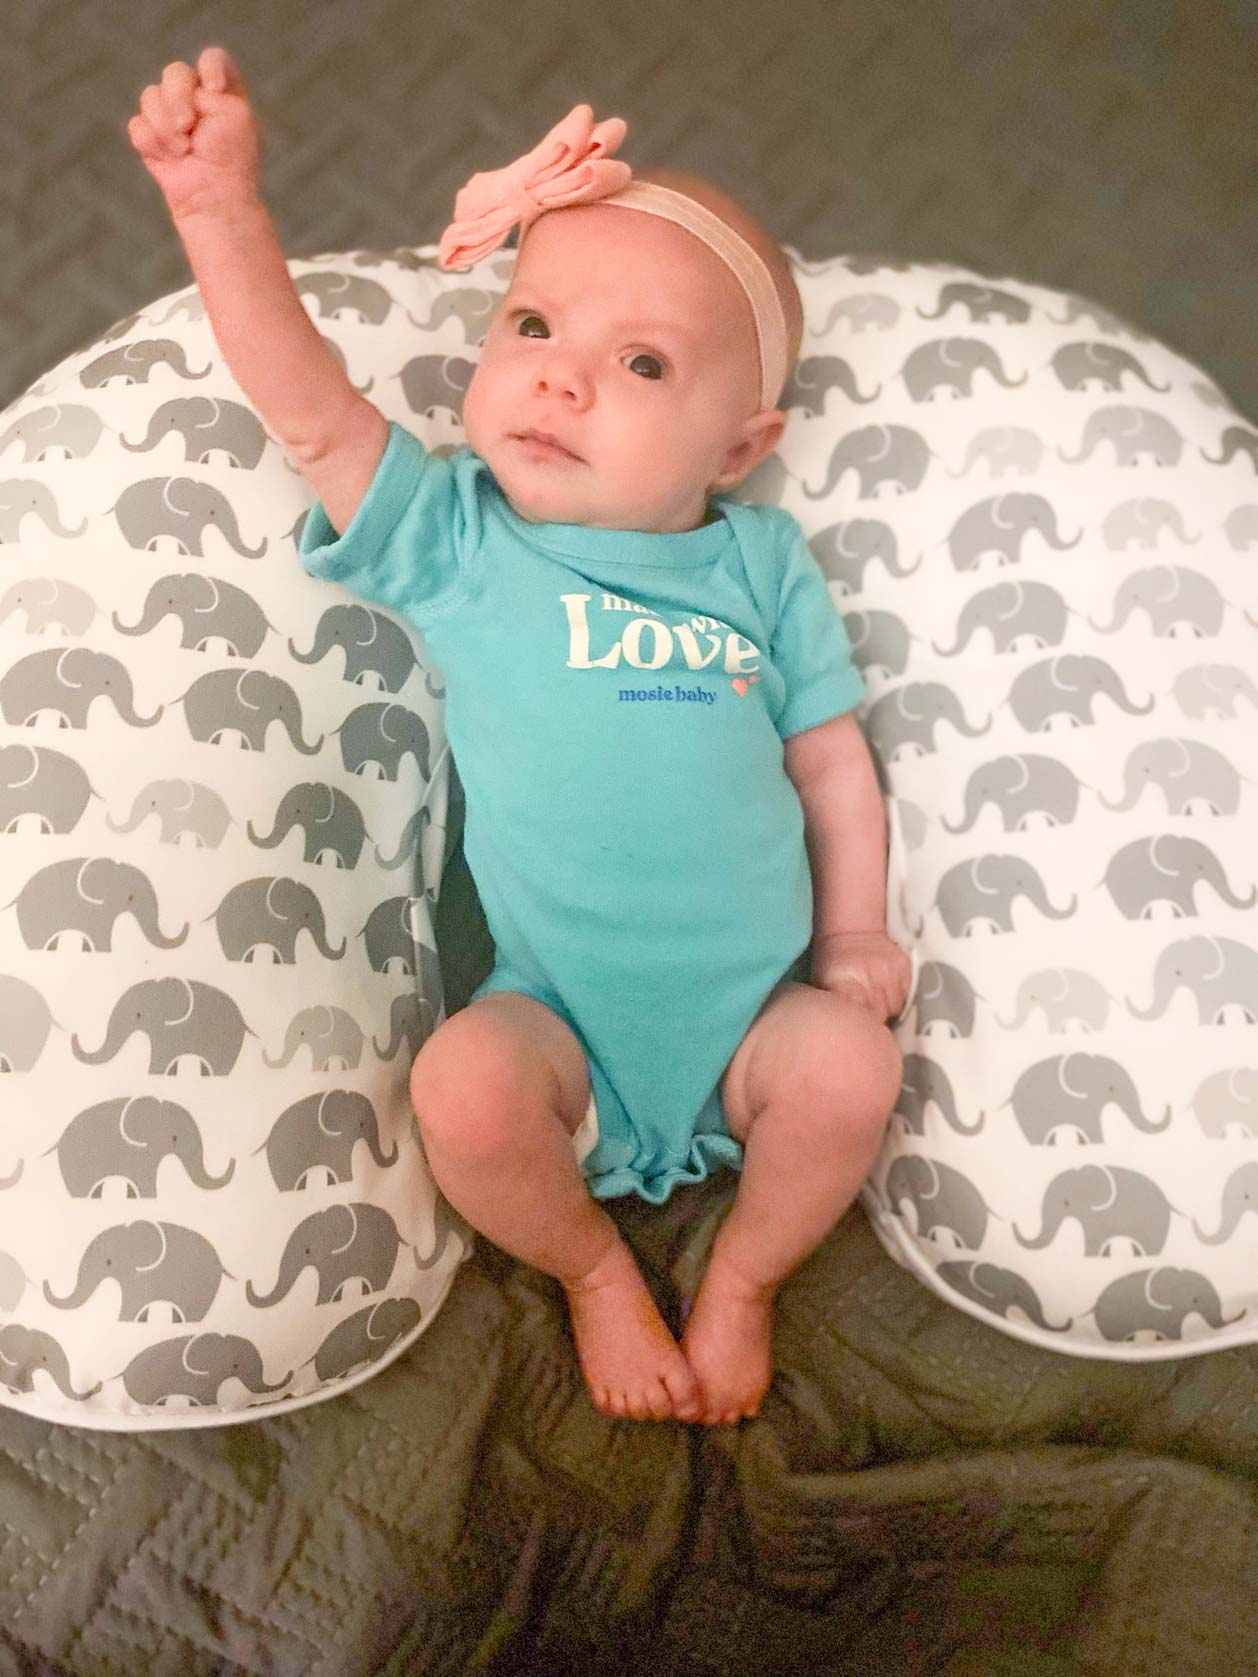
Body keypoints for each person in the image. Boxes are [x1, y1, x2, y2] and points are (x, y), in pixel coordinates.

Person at [128, 46, 914, 1428]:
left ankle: (739, 1277)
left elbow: (829, 760)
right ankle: (595, 1268)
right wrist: (218, 211)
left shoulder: (759, 563)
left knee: (855, 1073)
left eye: (642, 361)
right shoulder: (461, 540)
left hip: (753, 1022)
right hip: (559, 1018)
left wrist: (853, 931)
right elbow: (308, 406)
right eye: (534, 327)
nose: (557, 383)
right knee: (464, 1093)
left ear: (738, 447)